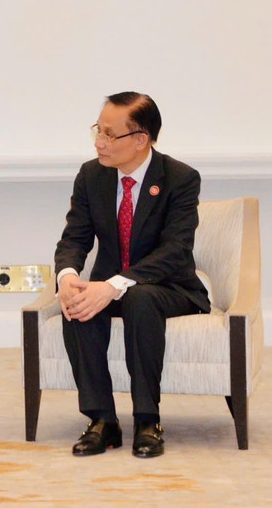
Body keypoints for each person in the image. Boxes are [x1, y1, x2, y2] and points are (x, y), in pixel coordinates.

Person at [54, 91, 210, 458]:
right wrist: (67, 276)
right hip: (113, 284)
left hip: (169, 287)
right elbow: (74, 237)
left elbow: (175, 252)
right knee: (79, 298)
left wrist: (115, 284)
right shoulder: (92, 175)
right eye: (98, 131)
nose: (99, 142)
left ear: (140, 139)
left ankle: (147, 420)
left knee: (139, 297)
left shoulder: (180, 178)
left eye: (110, 134)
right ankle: (102, 420)